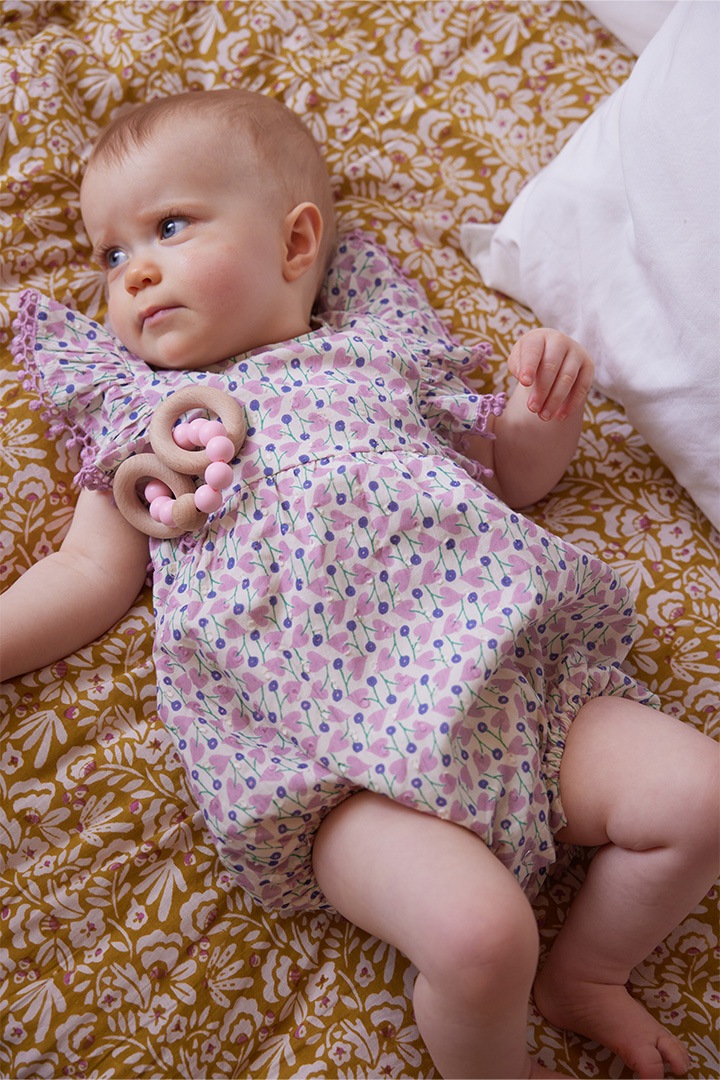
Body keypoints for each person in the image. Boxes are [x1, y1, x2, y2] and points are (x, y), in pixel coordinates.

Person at [2, 88, 717, 1080]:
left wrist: (541, 413)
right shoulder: (145, 421)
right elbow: (85, 573)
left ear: (298, 243)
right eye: (110, 255)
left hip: (514, 686)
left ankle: (590, 973)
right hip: (330, 763)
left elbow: (513, 476)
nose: (136, 273)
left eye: (169, 227)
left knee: (699, 798)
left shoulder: (379, 354)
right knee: (481, 939)